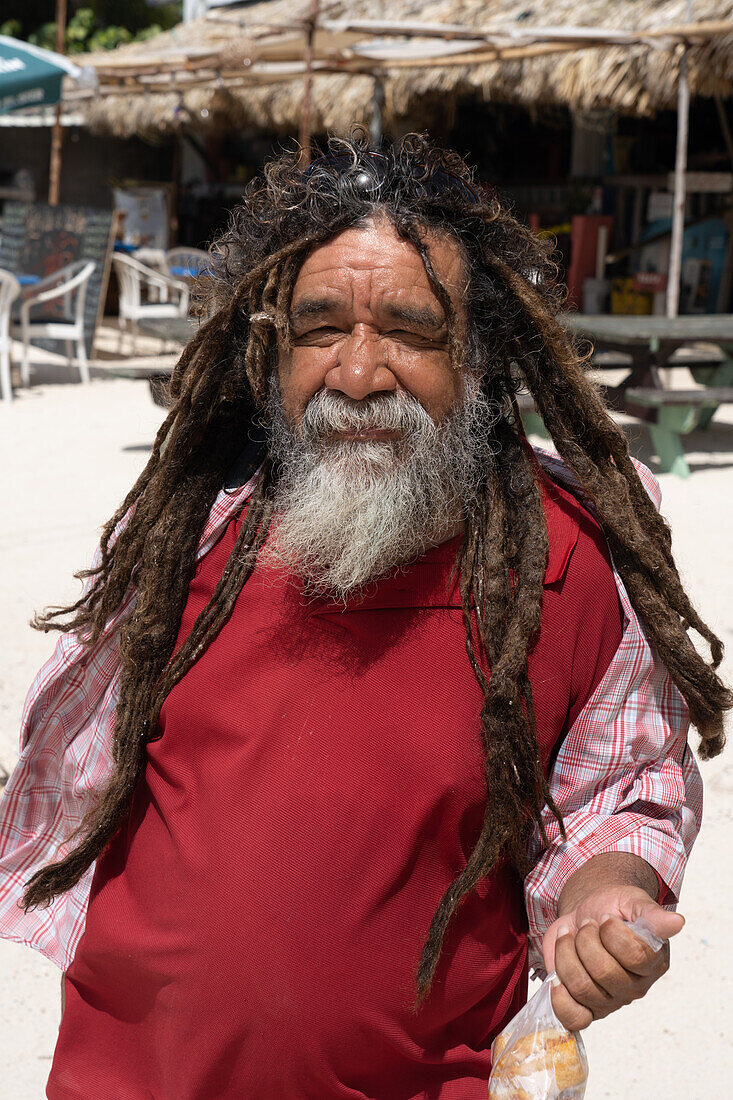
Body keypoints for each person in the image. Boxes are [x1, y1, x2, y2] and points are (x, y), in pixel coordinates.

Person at [0, 133, 729, 1100]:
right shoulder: (186, 535)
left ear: (480, 355)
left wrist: (604, 902)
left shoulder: (570, 565)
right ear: (274, 350)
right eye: (319, 329)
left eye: (410, 330)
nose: (357, 375)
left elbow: (620, 791)